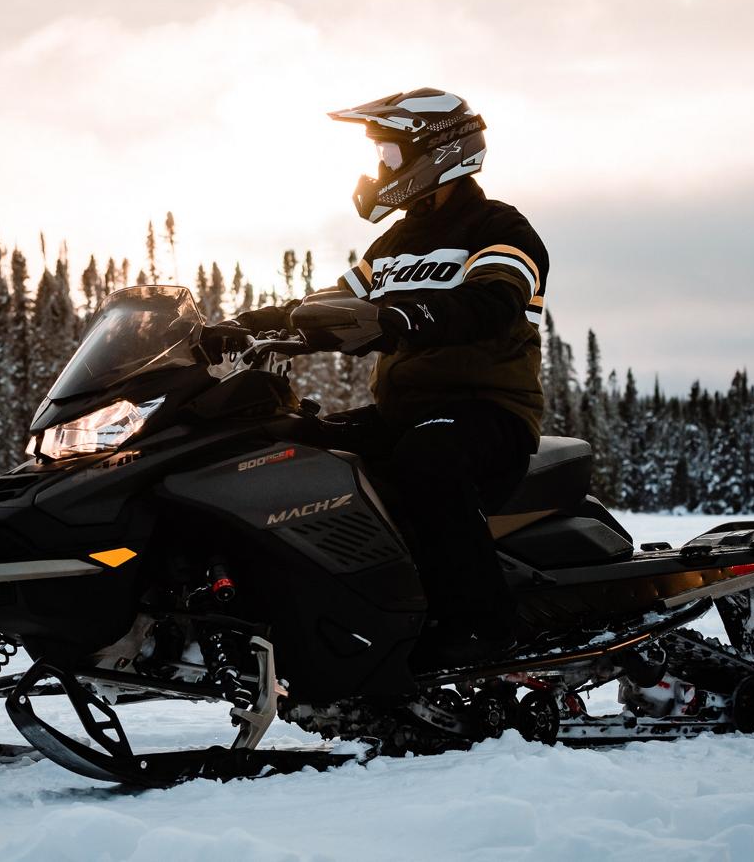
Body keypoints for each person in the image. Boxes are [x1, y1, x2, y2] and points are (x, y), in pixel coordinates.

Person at [223, 88, 550, 663]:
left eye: (391, 156)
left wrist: (404, 315)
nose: (380, 170)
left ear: (440, 153)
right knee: (293, 449)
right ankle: (344, 613)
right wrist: (246, 325)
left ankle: (482, 628)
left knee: (428, 460)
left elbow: (493, 300)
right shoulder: (395, 243)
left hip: (484, 410)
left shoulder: (499, 228)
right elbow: (327, 305)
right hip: (404, 411)